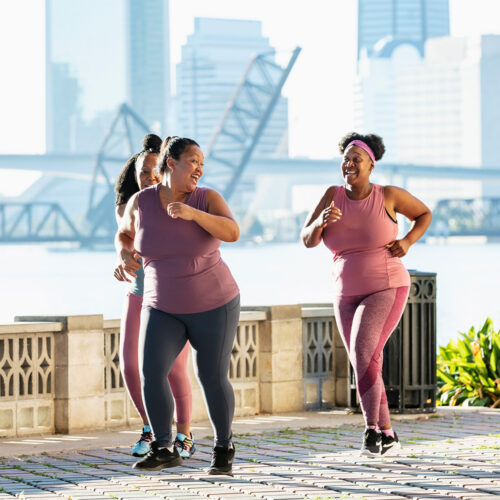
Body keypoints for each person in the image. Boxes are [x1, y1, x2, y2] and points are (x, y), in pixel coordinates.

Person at [115, 136, 240, 476]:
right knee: (151, 373)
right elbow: (124, 234)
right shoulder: (141, 202)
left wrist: (193, 214)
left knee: (211, 376)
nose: (200, 168)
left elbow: (232, 231)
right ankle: (163, 446)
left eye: (202, 163)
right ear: (171, 163)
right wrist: (124, 255)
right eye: (193, 161)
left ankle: (223, 446)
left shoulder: (207, 198)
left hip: (214, 304)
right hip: (162, 305)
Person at [301, 132, 432, 457]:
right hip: (345, 292)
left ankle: (371, 431)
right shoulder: (331, 195)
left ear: (371, 164)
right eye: (345, 158)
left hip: (386, 285)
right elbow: (307, 239)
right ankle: (388, 434)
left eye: (355, 159)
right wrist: (318, 222)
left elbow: (424, 214)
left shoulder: (388, 195)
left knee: (363, 354)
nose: (349, 164)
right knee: (366, 361)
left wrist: (407, 242)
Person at [114, 134, 195, 459]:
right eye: (141, 173)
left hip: (176, 294)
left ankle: (185, 435)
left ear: (165, 169)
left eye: (152, 171)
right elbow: (124, 240)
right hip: (139, 291)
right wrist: (122, 258)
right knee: (130, 366)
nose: (147, 177)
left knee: (175, 369)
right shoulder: (133, 205)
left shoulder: (184, 200)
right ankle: (150, 429)